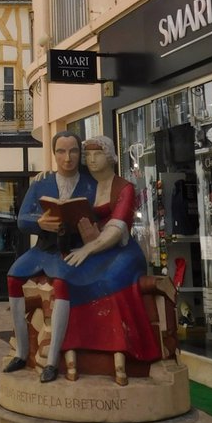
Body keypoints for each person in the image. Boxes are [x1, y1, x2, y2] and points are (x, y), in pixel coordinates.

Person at [59, 136, 161, 385]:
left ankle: (121, 350)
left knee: (111, 280)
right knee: (69, 279)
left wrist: (89, 247)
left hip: (122, 251)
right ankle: (73, 349)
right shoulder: (86, 186)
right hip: (91, 249)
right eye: (88, 155)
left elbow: (116, 230)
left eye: (97, 154)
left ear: (111, 156)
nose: (91, 160)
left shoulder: (124, 188)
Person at [4, 131, 97, 381]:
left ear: (80, 153)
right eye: (61, 151)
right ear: (54, 154)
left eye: (73, 151)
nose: (67, 157)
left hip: (73, 251)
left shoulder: (92, 183)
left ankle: (52, 360)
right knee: (12, 277)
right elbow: (22, 219)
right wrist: (40, 223)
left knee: (62, 284)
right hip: (42, 250)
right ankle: (22, 351)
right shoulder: (41, 183)